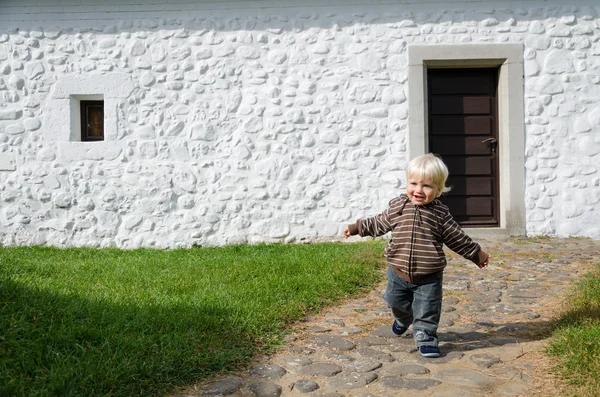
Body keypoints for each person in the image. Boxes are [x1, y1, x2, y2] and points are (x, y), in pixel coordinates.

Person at [344, 153, 490, 358]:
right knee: (394, 302)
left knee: (427, 309)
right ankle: (403, 320)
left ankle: (426, 337)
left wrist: (476, 254)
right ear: (407, 183)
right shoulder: (399, 206)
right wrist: (357, 227)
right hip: (398, 271)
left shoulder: (440, 214)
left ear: (439, 190)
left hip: (429, 276)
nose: (419, 190)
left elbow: (456, 237)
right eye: (414, 183)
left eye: (427, 186)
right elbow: (379, 222)